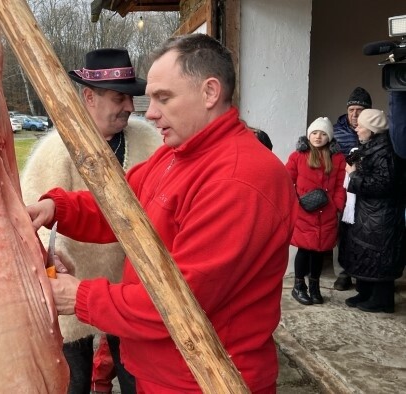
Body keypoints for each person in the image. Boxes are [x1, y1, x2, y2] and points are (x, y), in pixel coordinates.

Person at [27, 34, 297, 393]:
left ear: (210, 92)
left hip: (206, 380)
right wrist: (56, 208)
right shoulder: (177, 155)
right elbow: (119, 210)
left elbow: (178, 302)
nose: (148, 112)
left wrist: (78, 297)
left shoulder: (240, 179)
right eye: (149, 98)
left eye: (163, 98)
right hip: (164, 370)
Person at [21, 48, 161, 394]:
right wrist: (54, 259)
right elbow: (34, 218)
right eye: (119, 98)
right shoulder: (55, 150)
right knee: (74, 382)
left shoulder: (150, 142)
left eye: (129, 98)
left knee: (137, 379)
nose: (129, 107)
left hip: (131, 291)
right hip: (73, 291)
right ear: (89, 97)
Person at [339, 109, 405, 313]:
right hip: (369, 213)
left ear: (373, 129)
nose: (356, 128)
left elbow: (384, 184)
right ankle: (365, 292)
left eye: (361, 125)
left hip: (381, 215)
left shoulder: (386, 151)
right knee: (365, 253)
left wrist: (354, 175)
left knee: (379, 257)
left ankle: (381, 300)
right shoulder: (371, 146)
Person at [285, 117, 346, 305]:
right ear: (309, 135)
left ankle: (314, 286)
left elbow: (340, 185)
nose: (318, 137)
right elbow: (287, 180)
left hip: (326, 213)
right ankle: (298, 286)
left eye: (322, 133)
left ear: (329, 137)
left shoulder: (337, 158)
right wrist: (295, 203)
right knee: (304, 250)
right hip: (305, 212)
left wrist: (336, 205)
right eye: (314, 133)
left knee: (319, 252)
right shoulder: (298, 156)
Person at [332, 86, 372, 291]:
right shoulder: (335, 132)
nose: (355, 114)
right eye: (351, 110)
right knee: (342, 231)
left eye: (359, 110)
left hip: (366, 190)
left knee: (363, 232)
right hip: (342, 190)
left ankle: (362, 272)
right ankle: (343, 273)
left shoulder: (374, 132)